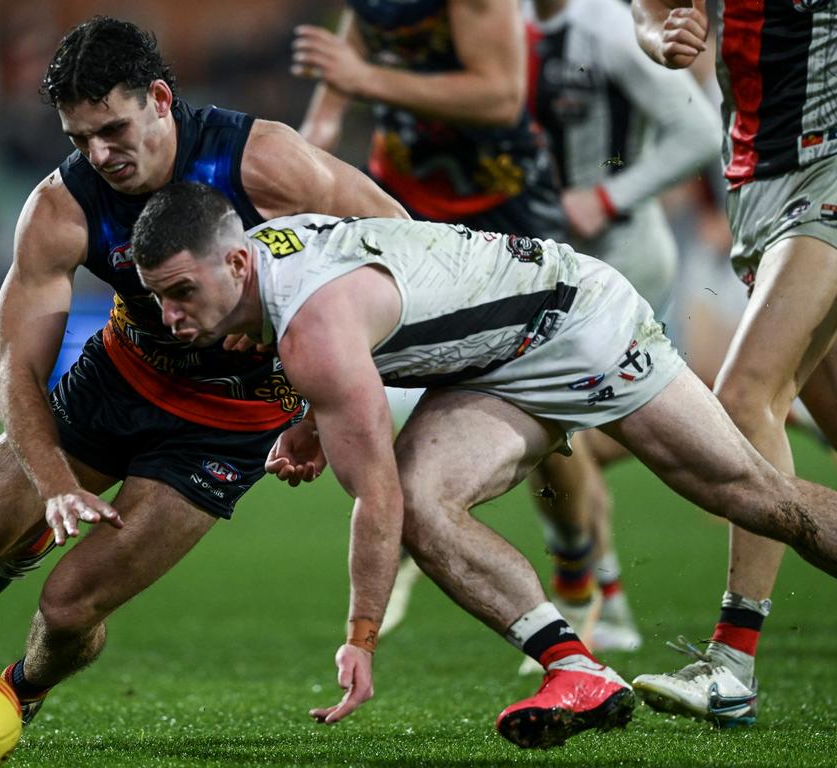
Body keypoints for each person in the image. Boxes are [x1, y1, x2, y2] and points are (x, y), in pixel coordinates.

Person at [132, 181, 837, 749]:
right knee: (423, 495)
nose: (170, 317)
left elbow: (374, 501)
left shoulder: (310, 329)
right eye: (160, 297)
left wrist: (361, 638)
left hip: (577, 321)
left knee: (751, 495)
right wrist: (316, 420)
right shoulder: (266, 258)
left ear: (234, 264)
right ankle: (577, 670)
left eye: (181, 293)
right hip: (500, 358)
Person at [0, 16, 408, 726]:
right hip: (119, 380)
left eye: (112, 130)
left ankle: (17, 693)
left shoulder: (264, 161)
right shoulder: (60, 208)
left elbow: (398, 246)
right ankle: (27, 537)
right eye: (79, 139)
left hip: (228, 426)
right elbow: (15, 366)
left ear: (158, 97)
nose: (98, 154)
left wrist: (315, 402)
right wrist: (54, 483)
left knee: (66, 608)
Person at [294, 0, 568, 633]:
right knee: (356, 350)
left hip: (503, 207)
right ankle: (401, 531)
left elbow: (501, 96)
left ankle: (581, 563)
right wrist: (309, 153)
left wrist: (365, 80)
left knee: (542, 411)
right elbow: (346, 69)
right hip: (403, 200)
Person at [628, 0, 837, 727]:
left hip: (829, 167)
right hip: (753, 182)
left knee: (747, 395)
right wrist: (666, 37)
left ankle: (732, 663)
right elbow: (651, 10)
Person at [518, 0, 720, 658]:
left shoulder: (603, 23)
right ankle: (603, 601)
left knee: (543, 429)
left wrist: (606, 194)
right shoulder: (496, 20)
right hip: (555, 260)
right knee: (555, 435)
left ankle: (593, 594)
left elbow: (697, 130)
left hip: (620, 253)